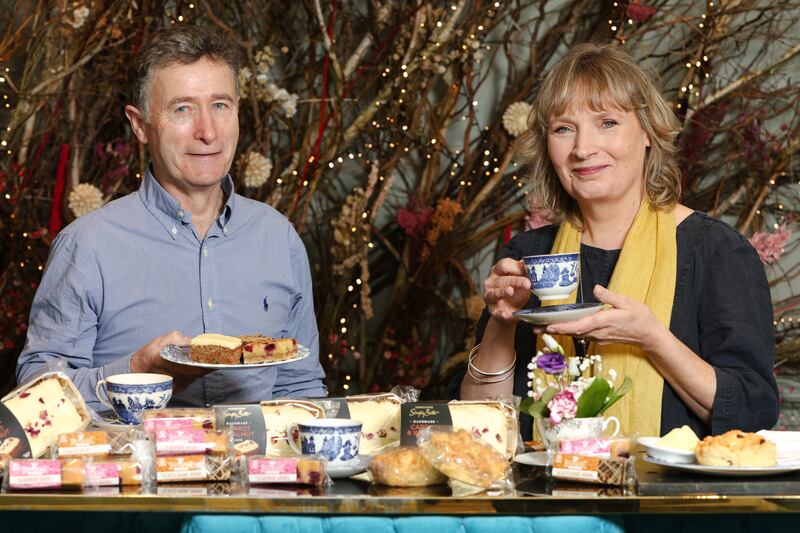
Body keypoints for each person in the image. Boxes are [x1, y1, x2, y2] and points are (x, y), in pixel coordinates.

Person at [459, 43, 778, 440]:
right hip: (540, 482)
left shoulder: (717, 252)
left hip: (666, 483)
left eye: (607, 122)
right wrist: (500, 324)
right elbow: (480, 427)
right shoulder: (527, 256)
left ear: (648, 132)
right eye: (563, 129)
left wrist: (653, 339)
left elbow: (752, 414)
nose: (583, 149)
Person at [17, 25, 327, 410]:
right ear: (139, 125)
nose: (208, 132)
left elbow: (301, 387)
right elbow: (37, 396)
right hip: (133, 451)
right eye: (182, 109)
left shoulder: (278, 238)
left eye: (220, 105)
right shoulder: (88, 246)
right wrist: (136, 369)